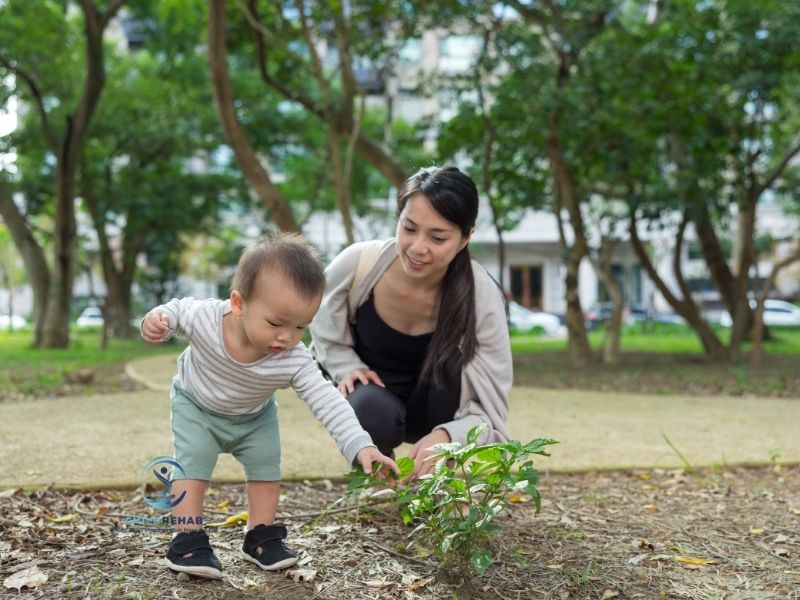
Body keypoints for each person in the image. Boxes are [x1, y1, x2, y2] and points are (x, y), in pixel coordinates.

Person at [140, 233, 397, 580]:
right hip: (197, 407)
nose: (287, 338)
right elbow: (172, 311)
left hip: (254, 417)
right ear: (238, 303)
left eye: (301, 327)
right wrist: (157, 322)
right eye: (276, 323)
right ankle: (187, 538)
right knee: (192, 466)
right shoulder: (204, 318)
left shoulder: (294, 357)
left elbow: (326, 399)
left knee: (266, 470)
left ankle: (259, 535)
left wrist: (361, 445)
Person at [310, 166, 511, 479]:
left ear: (464, 238)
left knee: (449, 367)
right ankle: (376, 474)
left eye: (438, 237)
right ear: (398, 219)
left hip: (441, 410)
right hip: (375, 405)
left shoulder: (480, 296)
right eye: (409, 228)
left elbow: (490, 409)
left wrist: (449, 436)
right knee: (370, 408)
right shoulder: (358, 265)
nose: (418, 247)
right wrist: (345, 366)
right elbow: (322, 333)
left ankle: (433, 479)